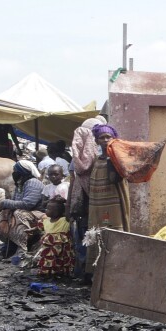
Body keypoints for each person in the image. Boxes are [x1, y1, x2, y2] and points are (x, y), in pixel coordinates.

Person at [69, 116, 105, 277]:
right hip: (87, 205)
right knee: (85, 237)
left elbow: (73, 180)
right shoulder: (94, 156)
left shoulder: (102, 156)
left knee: (87, 237)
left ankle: (88, 273)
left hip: (91, 204)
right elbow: (73, 180)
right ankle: (86, 272)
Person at [0, 161, 46, 259]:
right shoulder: (20, 184)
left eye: (15, 171)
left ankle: (21, 248)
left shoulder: (33, 183)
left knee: (19, 214)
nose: (14, 173)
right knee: (6, 213)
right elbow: (15, 202)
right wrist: (5, 206)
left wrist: (5, 202)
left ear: (22, 172)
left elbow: (28, 204)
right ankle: (8, 246)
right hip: (28, 212)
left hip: (37, 214)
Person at [87, 124, 129, 234]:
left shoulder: (118, 158)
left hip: (115, 201)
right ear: (97, 141)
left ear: (114, 139)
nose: (105, 140)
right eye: (102, 137)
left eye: (108, 137)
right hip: (97, 203)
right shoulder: (95, 161)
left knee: (116, 230)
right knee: (98, 232)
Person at [35, 198, 75, 280]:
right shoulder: (45, 221)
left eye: (49, 209)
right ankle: (48, 274)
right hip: (48, 248)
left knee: (62, 260)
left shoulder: (64, 220)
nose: (46, 210)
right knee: (48, 260)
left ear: (57, 212)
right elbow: (39, 228)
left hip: (62, 248)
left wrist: (66, 202)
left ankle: (61, 274)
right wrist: (31, 230)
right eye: (46, 208)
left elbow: (69, 212)